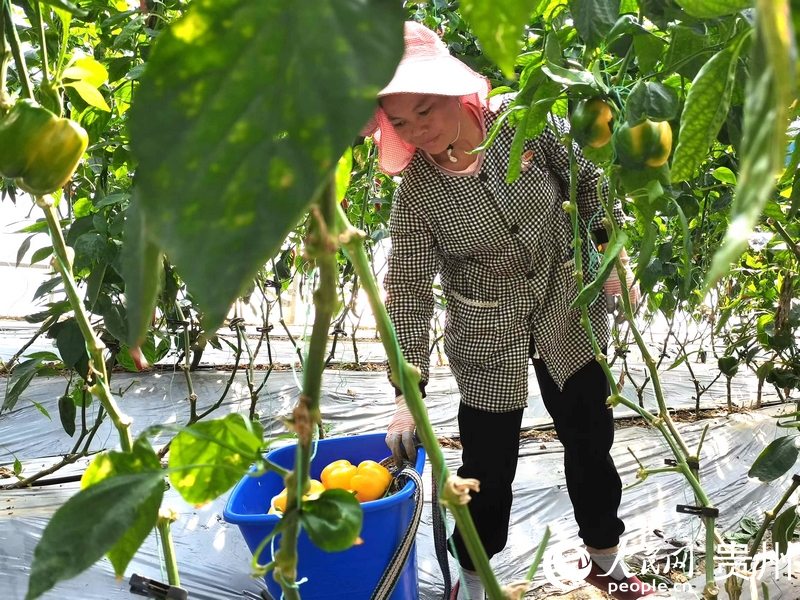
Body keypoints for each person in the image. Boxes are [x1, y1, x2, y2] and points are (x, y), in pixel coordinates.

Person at [366, 22, 651, 600]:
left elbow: (587, 181)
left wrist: (608, 252)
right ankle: (474, 579)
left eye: (427, 110)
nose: (419, 129)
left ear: (455, 92)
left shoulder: (523, 123)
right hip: (485, 327)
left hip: (563, 302)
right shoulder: (418, 191)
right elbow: (410, 291)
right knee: (487, 467)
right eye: (401, 123)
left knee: (590, 439)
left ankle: (605, 559)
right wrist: (404, 395)